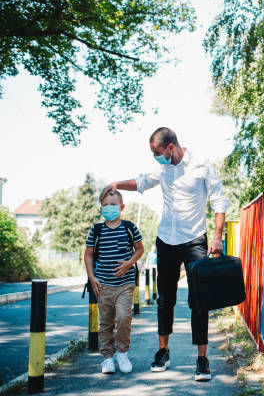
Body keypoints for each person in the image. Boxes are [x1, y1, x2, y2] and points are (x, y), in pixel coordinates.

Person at [102, 127, 230, 382]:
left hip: (194, 239)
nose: (155, 158)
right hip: (166, 240)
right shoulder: (162, 169)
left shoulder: (202, 164)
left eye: (157, 153)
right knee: (165, 299)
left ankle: (202, 358)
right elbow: (140, 182)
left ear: (171, 147)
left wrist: (216, 237)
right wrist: (116, 184)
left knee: (199, 300)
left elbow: (218, 200)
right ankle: (163, 351)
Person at [84, 189, 144, 374]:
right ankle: (108, 358)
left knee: (124, 318)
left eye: (113, 204)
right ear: (101, 207)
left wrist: (129, 264)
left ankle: (122, 353)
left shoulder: (129, 227)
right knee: (106, 323)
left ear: (122, 207)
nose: (109, 208)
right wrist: (91, 277)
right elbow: (88, 254)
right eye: (106, 204)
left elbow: (140, 249)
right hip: (103, 285)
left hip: (125, 284)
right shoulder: (97, 229)